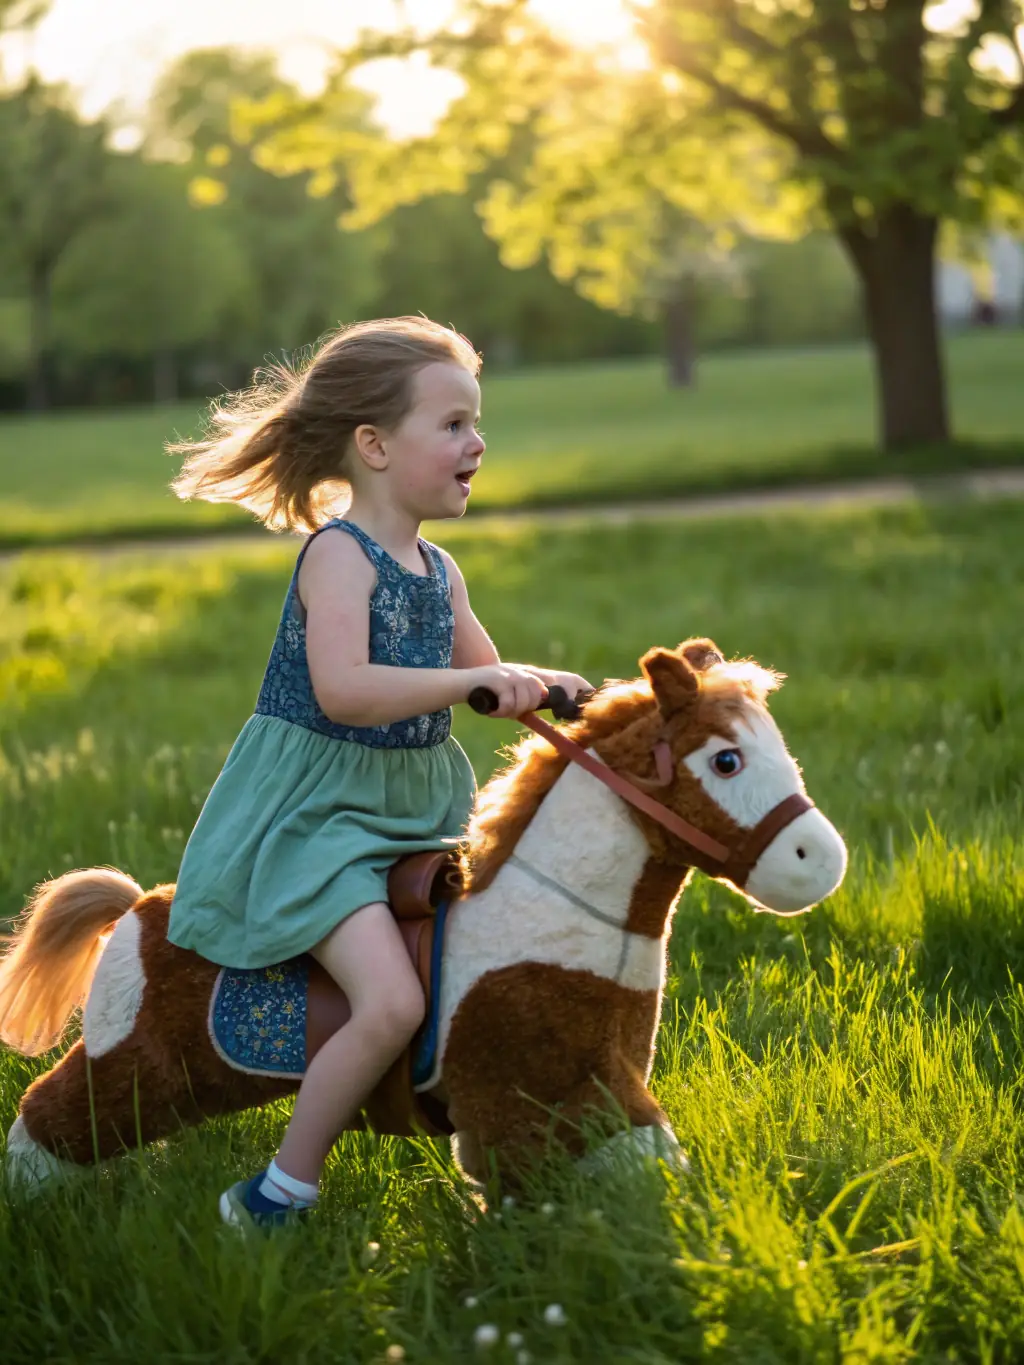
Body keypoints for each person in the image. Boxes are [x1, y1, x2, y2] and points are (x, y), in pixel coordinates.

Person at [167, 316, 591, 1229]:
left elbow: (491, 676)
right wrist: (477, 677)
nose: (477, 442)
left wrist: (558, 689)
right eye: (452, 424)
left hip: (406, 819)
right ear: (373, 445)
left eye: (477, 423)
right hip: (316, 825)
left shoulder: (440, 571)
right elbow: (347, 689)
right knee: (393, 998)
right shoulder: (336, 555)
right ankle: (279, 1191)